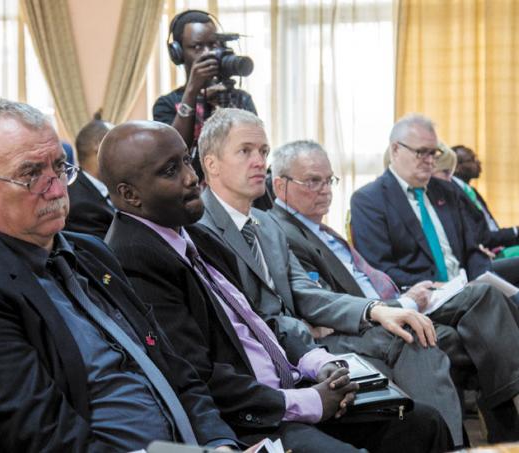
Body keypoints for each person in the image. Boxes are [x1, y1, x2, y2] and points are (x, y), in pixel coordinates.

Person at [101, 121, 451, 452]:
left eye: (185, 162)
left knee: (423, 423)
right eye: (171, 170)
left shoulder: (191, 232)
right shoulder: (132, 258)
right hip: (250, 418)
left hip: (289, 384)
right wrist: (310, 401)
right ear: (129, 194)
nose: (192, 178)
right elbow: (198, 376)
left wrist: (317, 362)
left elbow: (257, 319)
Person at [0, 99, 239, 452]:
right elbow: (46, 440)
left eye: (59, 167)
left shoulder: (91, 252)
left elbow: (176, 369)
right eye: (31, 175)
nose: (59, 190)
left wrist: (220, 440)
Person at [196, 108, 465, 445]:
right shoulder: (197, 229)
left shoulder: (266, 227)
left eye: (263, 151)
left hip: (304, 357)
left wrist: (374, 309)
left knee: (424, 421)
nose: (259, 161)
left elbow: (305, 292)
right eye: (245, 151)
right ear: (211, 164)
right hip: (263, 377)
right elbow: (250, 317)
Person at [269, 139, 519, 443]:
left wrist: (406, 294)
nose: (326, 189)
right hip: (370, 318)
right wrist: (400, 302)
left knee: (487, 298)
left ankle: (499, 419)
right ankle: (485, 428)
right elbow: (316, 299)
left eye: (329, 180)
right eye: (313, 181)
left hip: (395, 300)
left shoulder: (317, 227)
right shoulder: (280, 230)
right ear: (280, 185)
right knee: (462, 328)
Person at [350, 114, 519, 287]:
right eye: (421, 152)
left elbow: (471, 251)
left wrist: (483, 281)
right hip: (423, 296)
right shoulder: (369, 200)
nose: (430, 161)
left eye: (433, 153)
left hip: (467, 288)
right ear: (395, 150)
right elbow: (380, 270)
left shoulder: (447, 191)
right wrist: (435, 286)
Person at [153, 10, 257, 159]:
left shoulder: (241, 99)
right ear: (178, 52)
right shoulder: (166, 104)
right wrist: (192, 91)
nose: (208, 53)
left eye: (213, 44)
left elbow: (254, 148)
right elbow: (173, 152)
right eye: (197, 46)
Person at [452, 144, 519, 257]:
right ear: (456, 167)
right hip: (487, 254)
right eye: (472, 159)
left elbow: (491, 228)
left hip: (499, 246)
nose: (478, 162)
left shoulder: (471, 191)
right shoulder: (455, 194)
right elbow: (481, 237)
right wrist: (515, 231)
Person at [65, 112, 116, 238]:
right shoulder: (80, 205)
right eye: (118, 142)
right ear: (99, 144)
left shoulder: (112, 188)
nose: (124, 150)